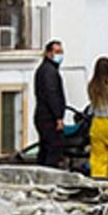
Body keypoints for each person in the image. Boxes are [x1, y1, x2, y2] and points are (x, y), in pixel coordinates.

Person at [35, 40, 67, 169]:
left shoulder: (46, 69)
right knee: (53, 150)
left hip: (44, 116)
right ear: (48, 54)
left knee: (45, 149)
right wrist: (58, 117)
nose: (60, 55)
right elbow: (51, 94)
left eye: (61, 52)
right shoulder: (49, 72)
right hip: (48, 117)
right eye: (57, 52)